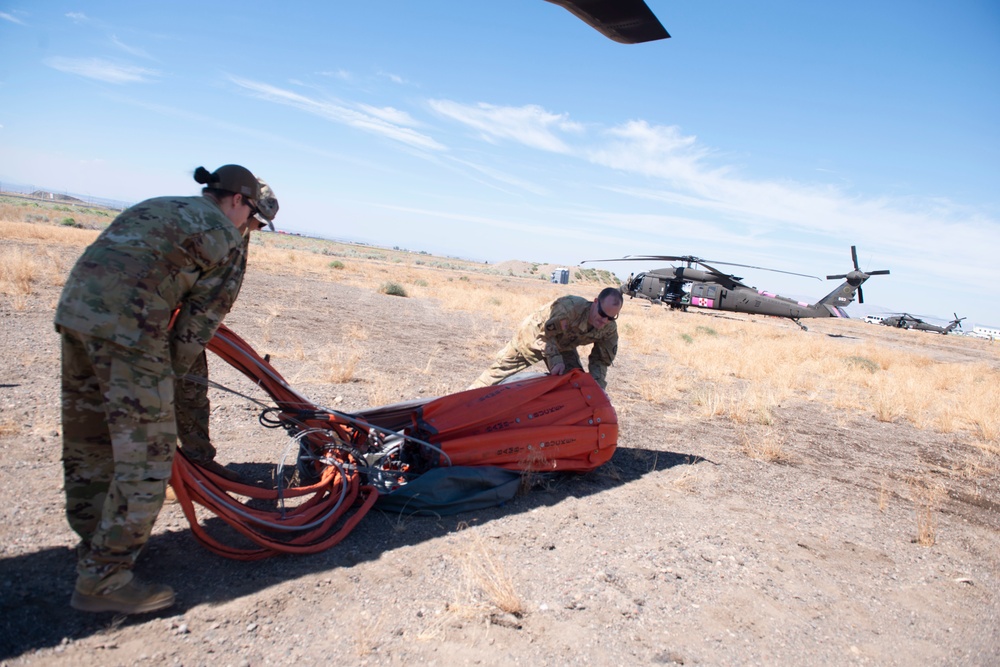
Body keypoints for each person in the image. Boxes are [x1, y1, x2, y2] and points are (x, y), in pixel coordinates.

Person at [56, 164, 275, 614]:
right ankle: (105, 579)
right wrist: (166, 381)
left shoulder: (159, 204)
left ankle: (93, 548)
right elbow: (197, 328)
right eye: (251, 215)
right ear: (239, 200)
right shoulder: (226, 236)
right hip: (130, 333)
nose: (249, 227)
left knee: (91, 444)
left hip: (75, 316)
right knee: (149, 458)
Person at [172, 179, 279, 483]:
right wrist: (177, 361)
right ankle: (167, 477)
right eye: (256, 221)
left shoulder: (235, 229)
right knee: (163, 397)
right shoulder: (215, 229)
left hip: (181, 325)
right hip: (159, 327)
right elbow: (209, 298)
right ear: (240, 204)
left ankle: (197, 464)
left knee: (191, 393)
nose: (255, 228)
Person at [469, 287, 623, 390]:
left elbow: (601, 360)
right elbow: (545, 336)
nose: (604, 321)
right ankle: (458, 404)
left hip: (563, 346)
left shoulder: (609, 328)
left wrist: (597, 386)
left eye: (611, 317)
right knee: (498, 373)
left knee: (575, 384)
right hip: (535, 336)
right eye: (602, 314)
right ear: (595, 302)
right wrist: (555, 360)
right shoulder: (569, 309)